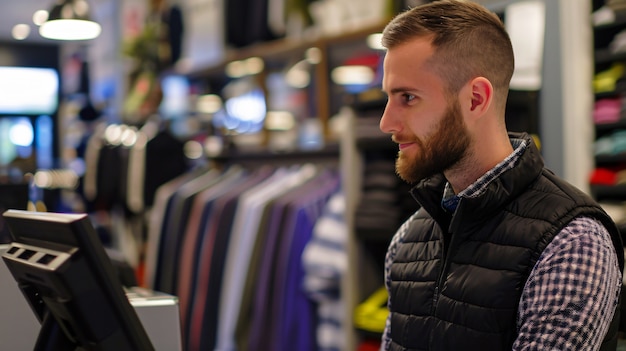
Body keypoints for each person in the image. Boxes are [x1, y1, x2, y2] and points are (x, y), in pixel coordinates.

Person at [377, 1, 624, 350]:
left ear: (476, 99)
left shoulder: (570, 243)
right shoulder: (407, 241)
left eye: (408, 97)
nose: (387, 122)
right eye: (389, 97)